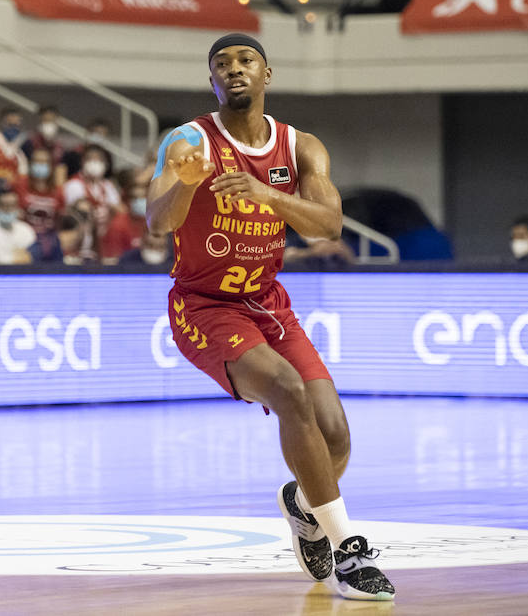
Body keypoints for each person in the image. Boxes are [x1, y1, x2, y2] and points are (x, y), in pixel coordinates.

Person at [146, 33, 395, 601]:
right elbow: (158, 222)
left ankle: (302, 506)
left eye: (245, 60)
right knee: (287, 390)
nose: (233, 70)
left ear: (267, 74)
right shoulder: (189, 140)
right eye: (221, 65)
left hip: (268, 302)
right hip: (204, 306)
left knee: (335, 437)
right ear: (212, 81)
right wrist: (184, 187)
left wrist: (265, 195)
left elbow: (328, 225)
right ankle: (349, 551)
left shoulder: (301, 146)